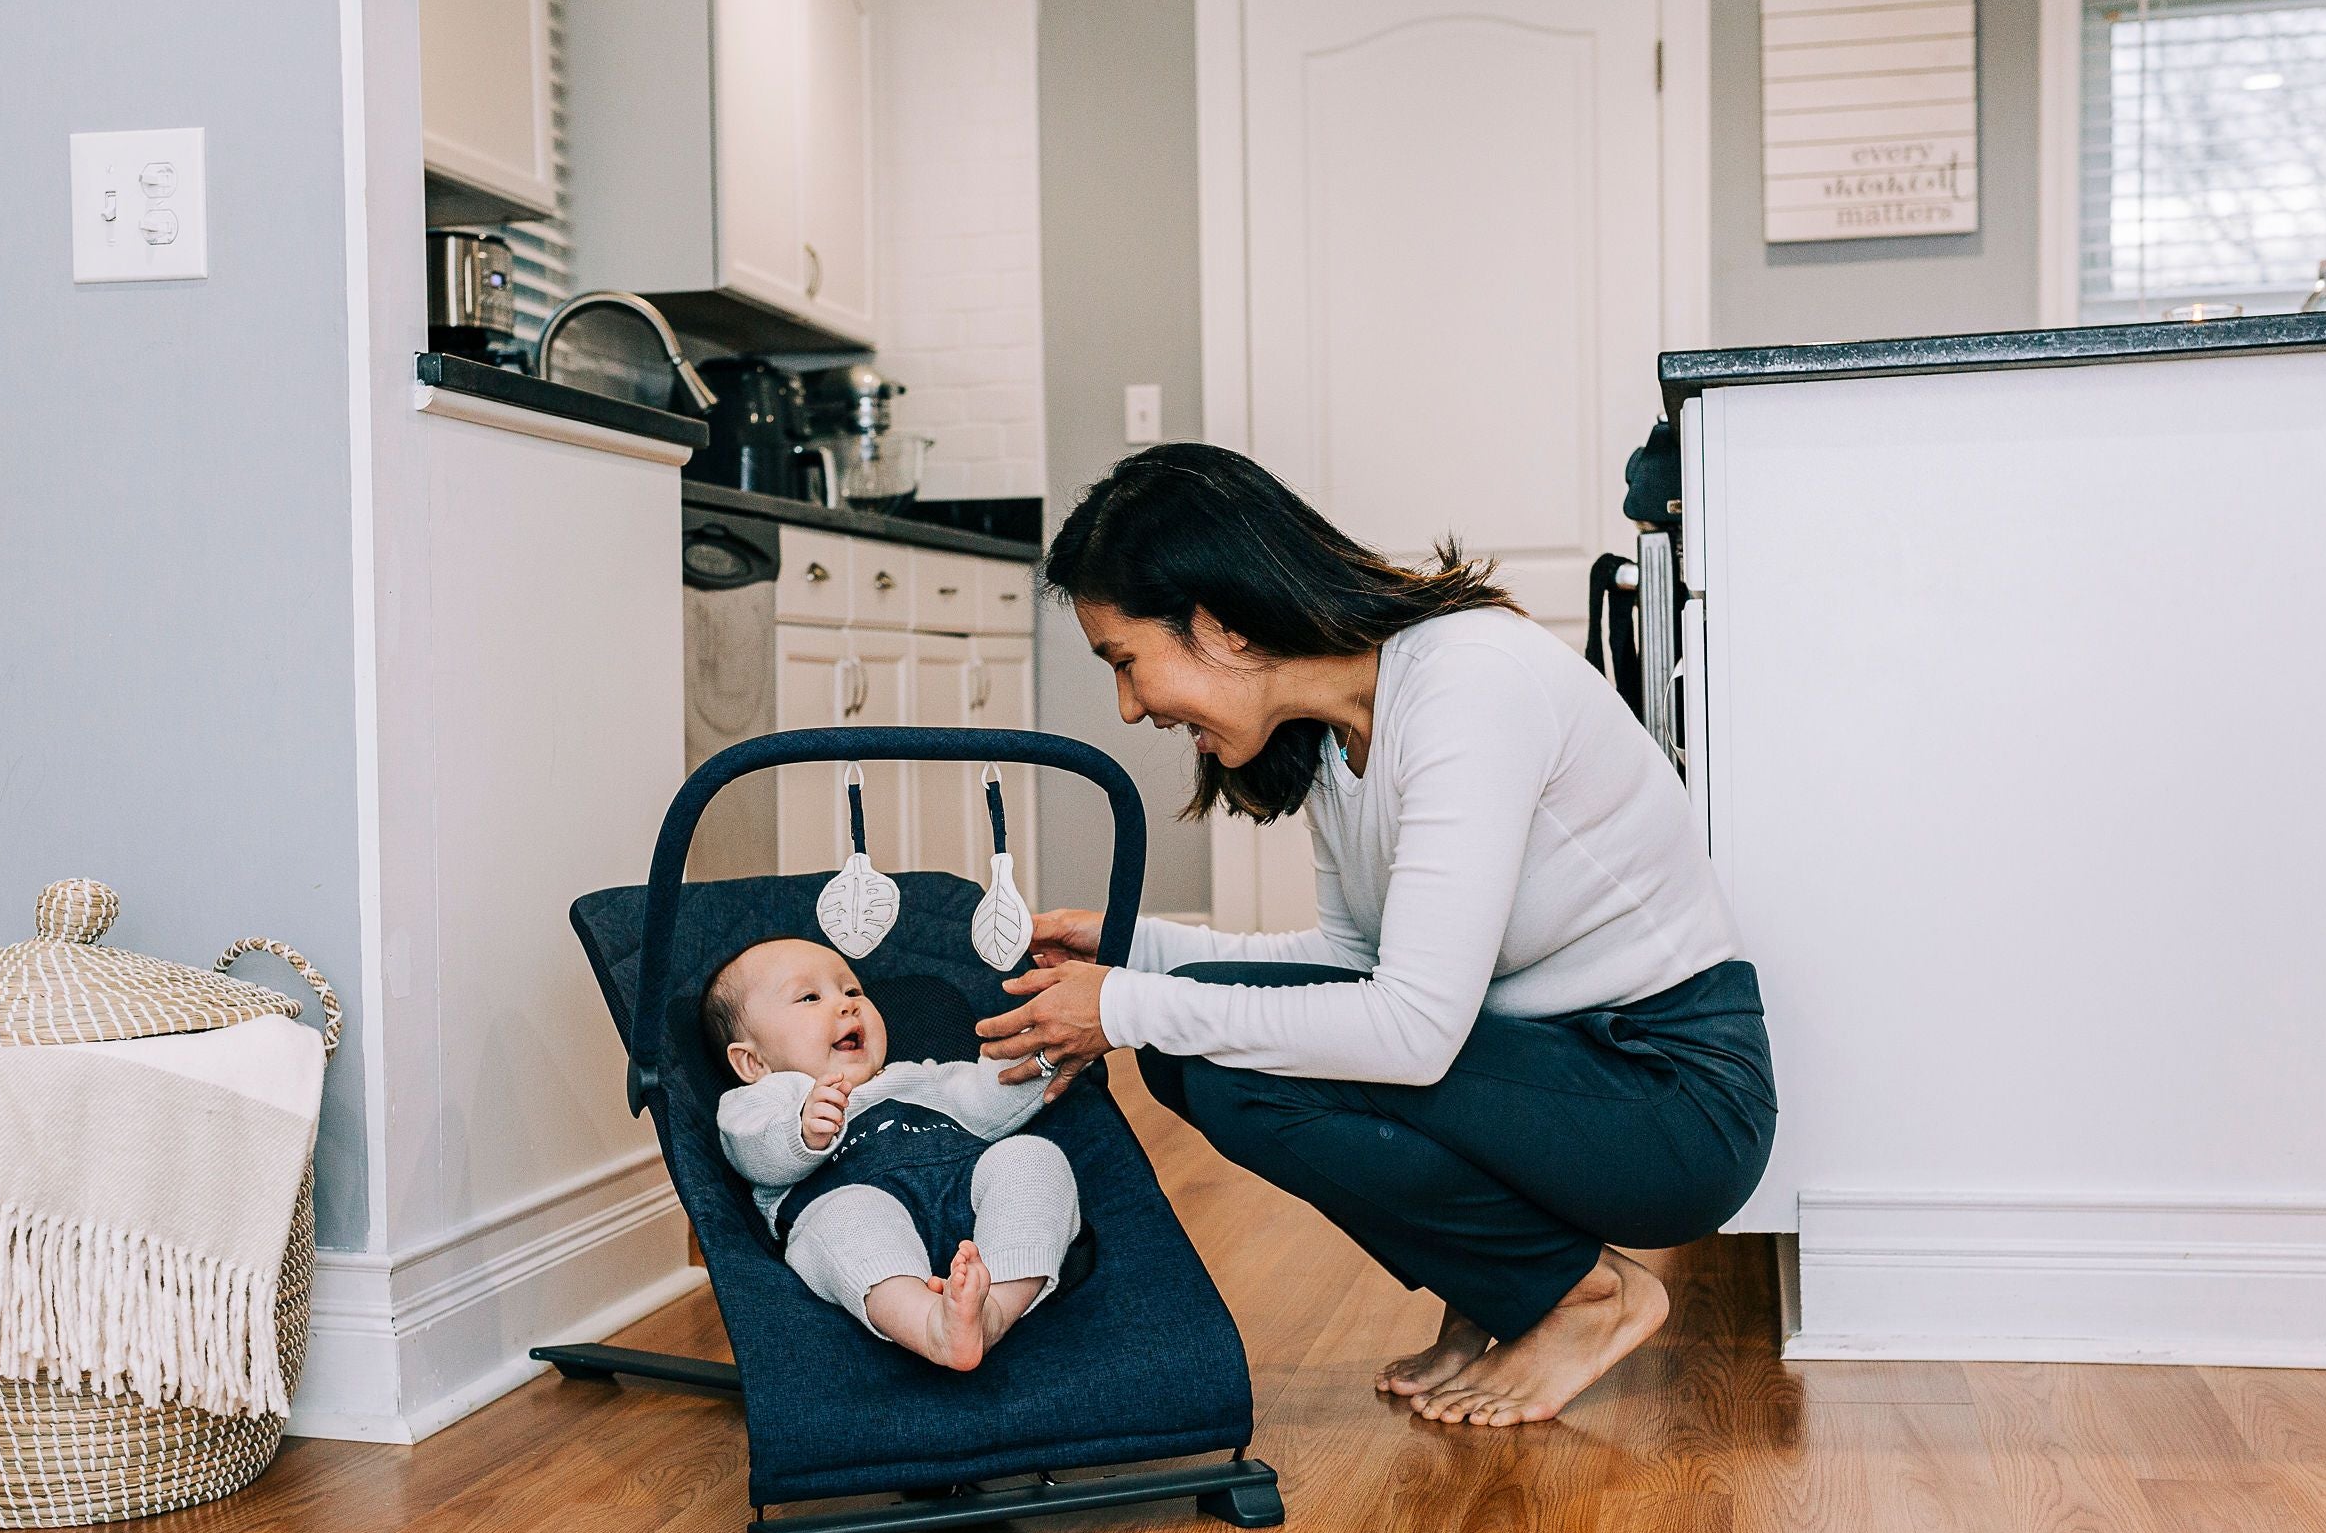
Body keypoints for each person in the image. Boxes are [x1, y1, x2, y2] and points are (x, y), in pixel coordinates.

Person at [975, 444, 1775, 1427]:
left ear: (1222, 624)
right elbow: (1354, 970)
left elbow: (1413, 1027)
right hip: (1561, 1072)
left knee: (1219, 1058)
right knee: (1193, 1056)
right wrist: (1135, 951)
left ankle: (1580, 1295)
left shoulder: (1466, 684)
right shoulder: (1338, 735)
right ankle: (1510, 1286)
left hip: (1675, 1102)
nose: (1130, 706)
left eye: (1126, 662)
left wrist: (1128, 1004)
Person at [707, 936, 1078, 1369]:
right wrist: (801, 1131)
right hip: (862, 1221)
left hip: (969, 1210)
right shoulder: (766, 1098)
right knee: (850, 1214)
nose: (846, 1006)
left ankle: (994, 1309)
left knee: (1032, 1158)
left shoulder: (917, 1078)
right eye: (809, 997)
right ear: (752, 1063)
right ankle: (932, 1326)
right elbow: (751, 1149)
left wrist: (1048, 1048)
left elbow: (989, 1094)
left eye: (852, 991)